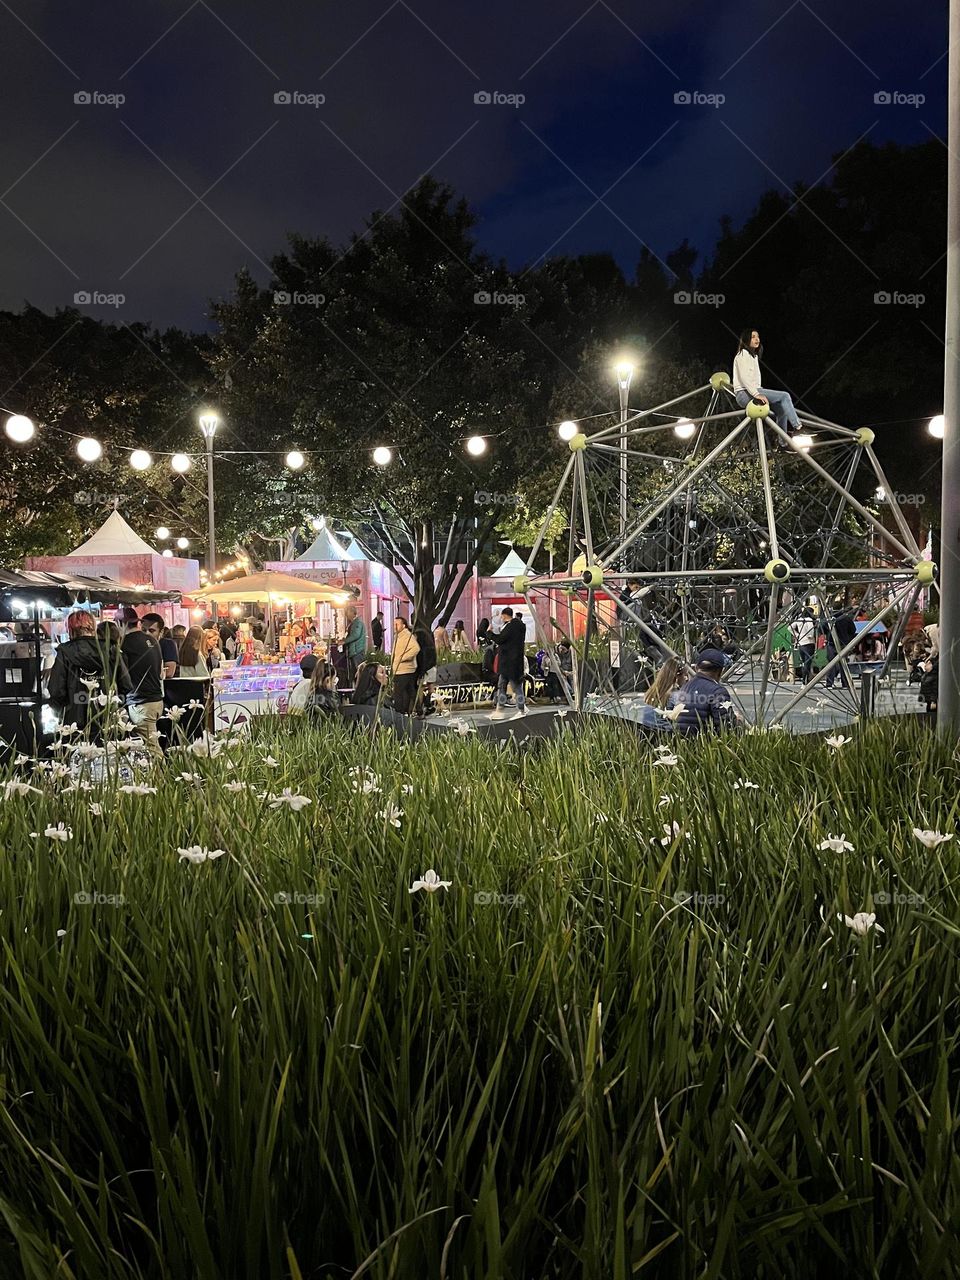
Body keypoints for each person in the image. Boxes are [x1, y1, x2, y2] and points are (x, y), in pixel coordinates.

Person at [47, 609, 132, 737]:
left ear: (70, 629)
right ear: (93, 627)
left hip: (74, 724)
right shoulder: (111, 649)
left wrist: (63, 711)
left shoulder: (64, 652)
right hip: (107, 721)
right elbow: (126, 685)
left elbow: (56, 690)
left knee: (77, 756)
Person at [732, 329, 803, 439]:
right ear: (746, 340)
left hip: (753, 391)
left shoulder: (753, 356)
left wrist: (758, 392)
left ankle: (782, 443)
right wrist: (756, 394)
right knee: (785, 396)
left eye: (758, 337)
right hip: (744, 393)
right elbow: (745, 378)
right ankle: (798, 428)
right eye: (753, 337)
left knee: (781, 411)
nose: (757, 339)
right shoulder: (742, 355)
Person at [120, 606, 164, 759]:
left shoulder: (125, 643)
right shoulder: (152, 640)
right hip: (157, 700)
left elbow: (122, 675)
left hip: (141, 703)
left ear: (121, 624)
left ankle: (162, 780)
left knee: (151, 748)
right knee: (149, 746)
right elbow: (160, 671)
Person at [672, 649, 738, 736]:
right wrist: (737, 721)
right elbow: (727, 727)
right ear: (720, 671)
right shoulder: (718, 692)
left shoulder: (684, 687)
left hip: (681, 743)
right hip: (705, 744)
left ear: (696, 668)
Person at [489, 607, 527, 720]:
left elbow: (501, 639)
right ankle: (499, 709)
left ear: (504, 615)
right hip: (507, 663)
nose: (500, 618)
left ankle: (522, 709)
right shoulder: (517, 626)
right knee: (502, 685)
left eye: (501, 615)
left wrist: (489, 633)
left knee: (516, 687)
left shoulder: (512, 627)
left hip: (510, 663)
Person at [637, 656, 684, 729]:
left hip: (647, 731)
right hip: (664, 732)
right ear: (677, 676)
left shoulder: (653, 691)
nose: (687, 678)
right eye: (685, 675)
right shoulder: (675, 694)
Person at [391, 617, 420, 715]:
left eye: (397, 624)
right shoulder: (398, 636)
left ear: (403, 625)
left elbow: (416, 648)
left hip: (404, 669)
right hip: (401, 669)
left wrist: (403, 658)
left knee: (398, 693)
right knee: (410, 691)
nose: (395, 626)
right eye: (394, 624)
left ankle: (399, 713)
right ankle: (418, 711)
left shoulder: (407, 635)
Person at [824, 607, 856, 689]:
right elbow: (853, 630)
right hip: (843, 644)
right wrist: (848, 639)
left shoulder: (830, 619)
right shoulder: (846, 618)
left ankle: (829, 683)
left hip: (831, 643)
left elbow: (823, 629)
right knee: (843, 664)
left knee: (831, 664)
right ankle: (845, 684)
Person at [142, 613, 178, 679]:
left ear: (161, 632)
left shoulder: (167, 644)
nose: (147, 633)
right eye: (144, 630)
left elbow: (169, 672)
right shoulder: (139, 644)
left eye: (151, 631)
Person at [414, 621, 438, 714]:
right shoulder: (431, 647)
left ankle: (419, 707)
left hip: (425, 670)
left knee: (421, 688)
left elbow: (422, 661)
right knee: (431, 688)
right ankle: (432, 705)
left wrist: (421, 672)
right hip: (432, 668)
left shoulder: (422, 649)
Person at [792, 608, 817, 683]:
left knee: (804, 662)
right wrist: (810, 636)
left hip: (800, 643)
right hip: (809, 643)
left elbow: (790, 628)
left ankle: (805, 680)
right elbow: (811, 630)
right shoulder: (809, 620)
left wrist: (797, 634)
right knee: (808, 663)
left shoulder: (799, 620)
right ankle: (805, 680)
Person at [342, 605, 367, 682]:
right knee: (356, 672)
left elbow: (356, 635)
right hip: (355, 650)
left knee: (359, 672)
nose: (347, 614)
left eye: (348, 612)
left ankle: (361, 689)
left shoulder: (357, 622)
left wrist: (344, 641)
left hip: (357, 650)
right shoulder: (355, 622)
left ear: (352, 612)